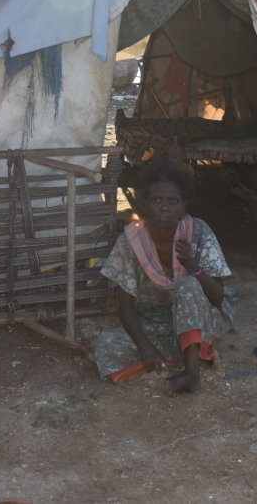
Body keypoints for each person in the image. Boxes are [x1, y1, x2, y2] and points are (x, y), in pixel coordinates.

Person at [94, 160, 235, 395]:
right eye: (157, 200)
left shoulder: (199, 231)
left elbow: (218, 298)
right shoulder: (131, 241)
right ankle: (192, 349)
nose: (164, 208)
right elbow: (125, 307)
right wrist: (144, 346)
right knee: (106, 344)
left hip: (203, 317)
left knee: (188, 283)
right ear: (145, 204)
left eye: (172, 202)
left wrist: (192, 266)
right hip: (159, 322)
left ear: (183, 205)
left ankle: (191, 373)